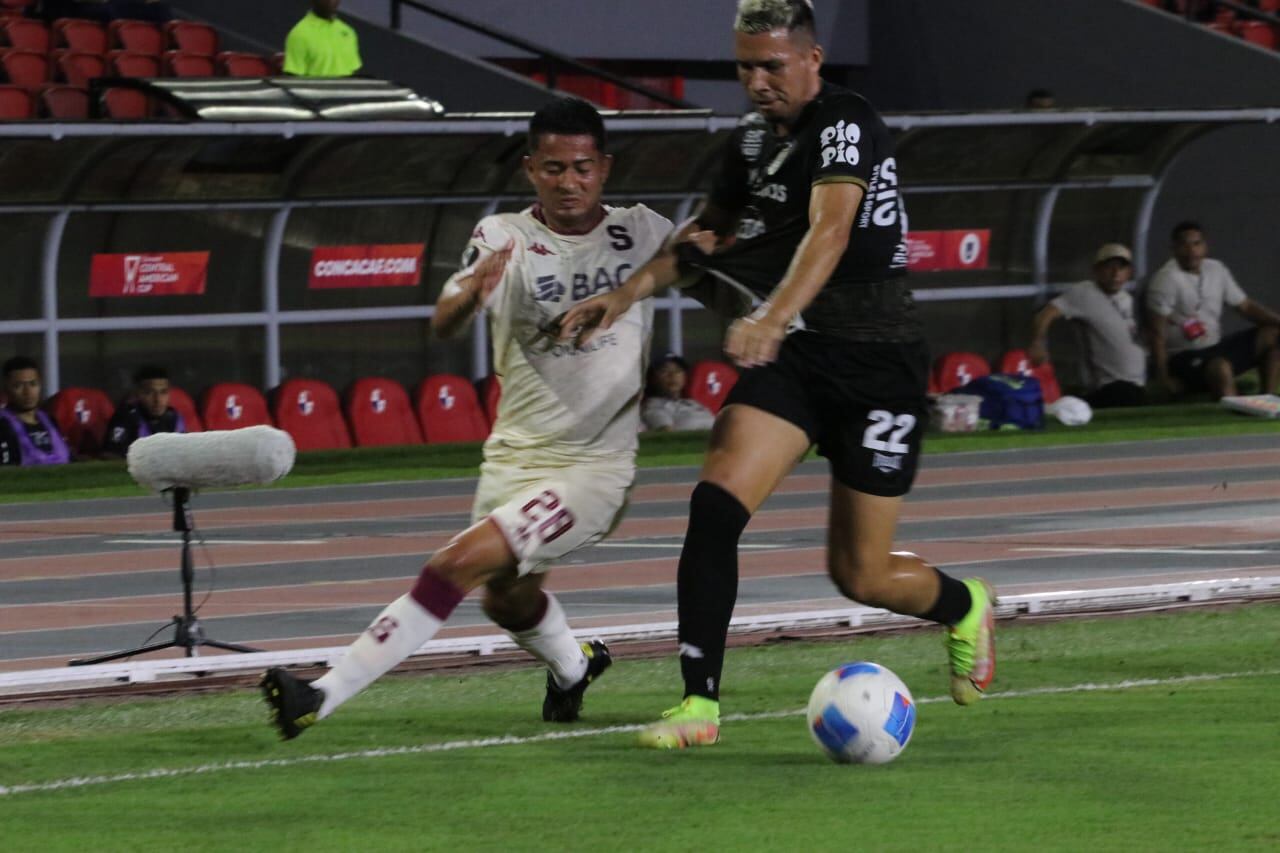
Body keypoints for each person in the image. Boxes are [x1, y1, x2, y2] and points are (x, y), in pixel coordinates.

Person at [556, 0, 996, 749]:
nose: (757, 81)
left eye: (772, 64)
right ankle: (700, 704)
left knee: (862, 576)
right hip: (803, 356)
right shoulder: (754, 140)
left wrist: (767, 316)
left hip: (879, 362)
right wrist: (620, 296)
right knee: (715, 505)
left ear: (812, 60)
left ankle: (963, 605)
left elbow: (831, 232)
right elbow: (702, 236)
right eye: (744, 66)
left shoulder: (847, 120)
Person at [261, 98, 674, 739]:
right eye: (555, 168)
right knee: (504, 596)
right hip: (513, 454)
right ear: (530, 168)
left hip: (593, 468)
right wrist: (470, 292)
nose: (570, 183)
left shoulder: (643, 230)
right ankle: (573, 666)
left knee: (453, 565)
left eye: (584, 168)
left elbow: (706, 257)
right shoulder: (503, 235)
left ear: (606, 168)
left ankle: (319, 693)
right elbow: (447, 315)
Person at [1146, 221, 1280, 400]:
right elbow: (1156, 332)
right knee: (1220, 367)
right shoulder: (1165, 280)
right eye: (1184, 244)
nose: (1191, 250)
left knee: (1274, 334)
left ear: (1205, 246)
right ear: (1174, 249)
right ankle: (1235, 415)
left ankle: (1268, 400)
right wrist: (1163, 377)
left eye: (1196, 243)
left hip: (1216, 347)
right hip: (1184, 356)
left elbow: (1246, 306)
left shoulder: (1216, 269)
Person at [1028, 242, 1148, 408]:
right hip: (1108, 386)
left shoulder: (1126, 298)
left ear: (1129, 272)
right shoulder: (1084, 292)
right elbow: (1046, 313)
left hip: (1137, 384)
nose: (1116, 273)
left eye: (1121, 268)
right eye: (1109, 267)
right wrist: (1038, 342)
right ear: (1097, 270)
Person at [0, 356, 71, 467]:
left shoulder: (50, 420)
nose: (27, 392)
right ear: (6, 389)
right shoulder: (3, 426)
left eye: (33, 384)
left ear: (40, 385)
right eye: (18, 386)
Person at [102, 365, 187, 457]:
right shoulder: (126, 417)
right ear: (137, 394)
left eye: (163, 392)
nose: (157, 400)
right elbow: (110, 455)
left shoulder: (174, 417)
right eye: (149, 393)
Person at [283, 0, 362, 78]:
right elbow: (292, 79)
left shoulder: (348, 32)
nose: (331, 1)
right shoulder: (299, 35)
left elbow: (354, 72)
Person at [642, 353, 715, 432]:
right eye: (664, 371)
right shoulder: (653, 406)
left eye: (678, 371)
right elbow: (667, 435)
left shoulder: (693, 403)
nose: (673, 375)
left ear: (684, 378)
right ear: (653, 379)